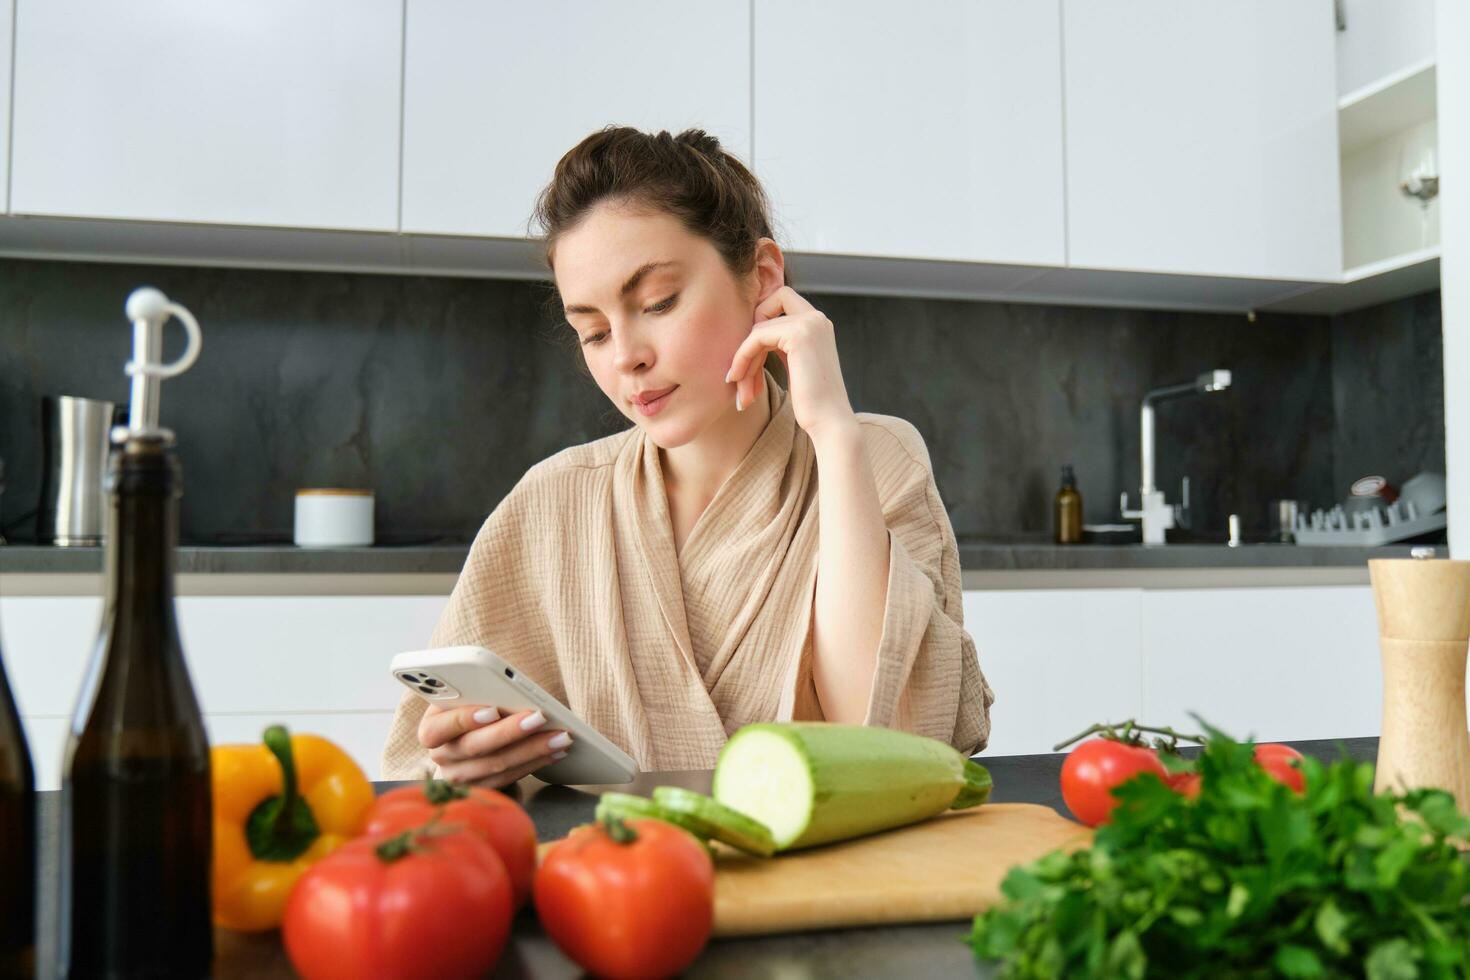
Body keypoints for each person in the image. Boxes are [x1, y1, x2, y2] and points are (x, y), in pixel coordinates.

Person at [381, 127, 993, 786]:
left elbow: (892, 743)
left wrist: (834, 436)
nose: (626, 356)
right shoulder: (552, 499)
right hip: (616, 879)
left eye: (657, 303)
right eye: (592, 331)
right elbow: (425, 767)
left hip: (826, 881)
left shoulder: (872, 457)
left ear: (760, 279)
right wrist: (464, 761)